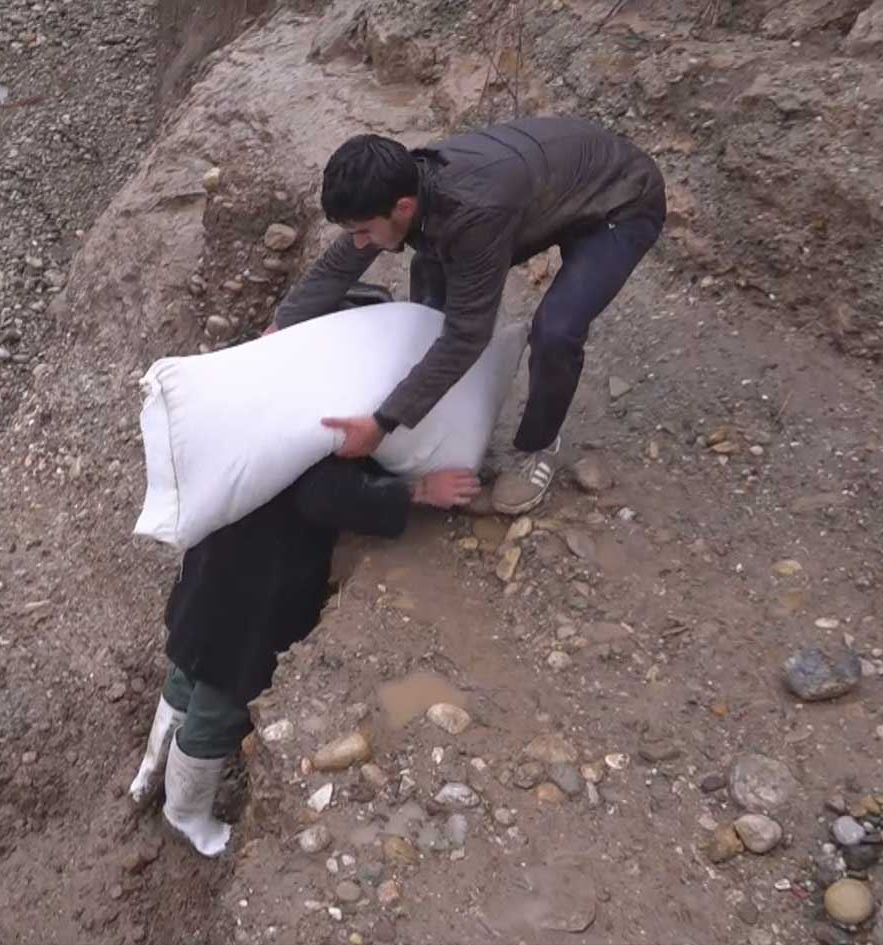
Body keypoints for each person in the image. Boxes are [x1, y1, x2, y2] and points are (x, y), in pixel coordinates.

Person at [268, 116, 667, 514]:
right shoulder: (405, 183)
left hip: (622, 202)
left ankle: (540, 445)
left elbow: (466, 335)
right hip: (560, 185)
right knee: (430, 266)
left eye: (364, 231)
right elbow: (342, 262)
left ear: (403, 207)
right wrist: (280, 326)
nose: (359, 242)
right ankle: (440, 394)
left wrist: (383, 423)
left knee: (556, 330)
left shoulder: (473, 214)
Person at [128, 456, 479, 856]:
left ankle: (149, 774)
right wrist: (417, 490)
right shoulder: (316, 431)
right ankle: (185, 815)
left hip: (211, 563)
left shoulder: (259, 405)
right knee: (217, 708)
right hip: (252, 597)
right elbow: (323, 494)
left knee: (185, 675)